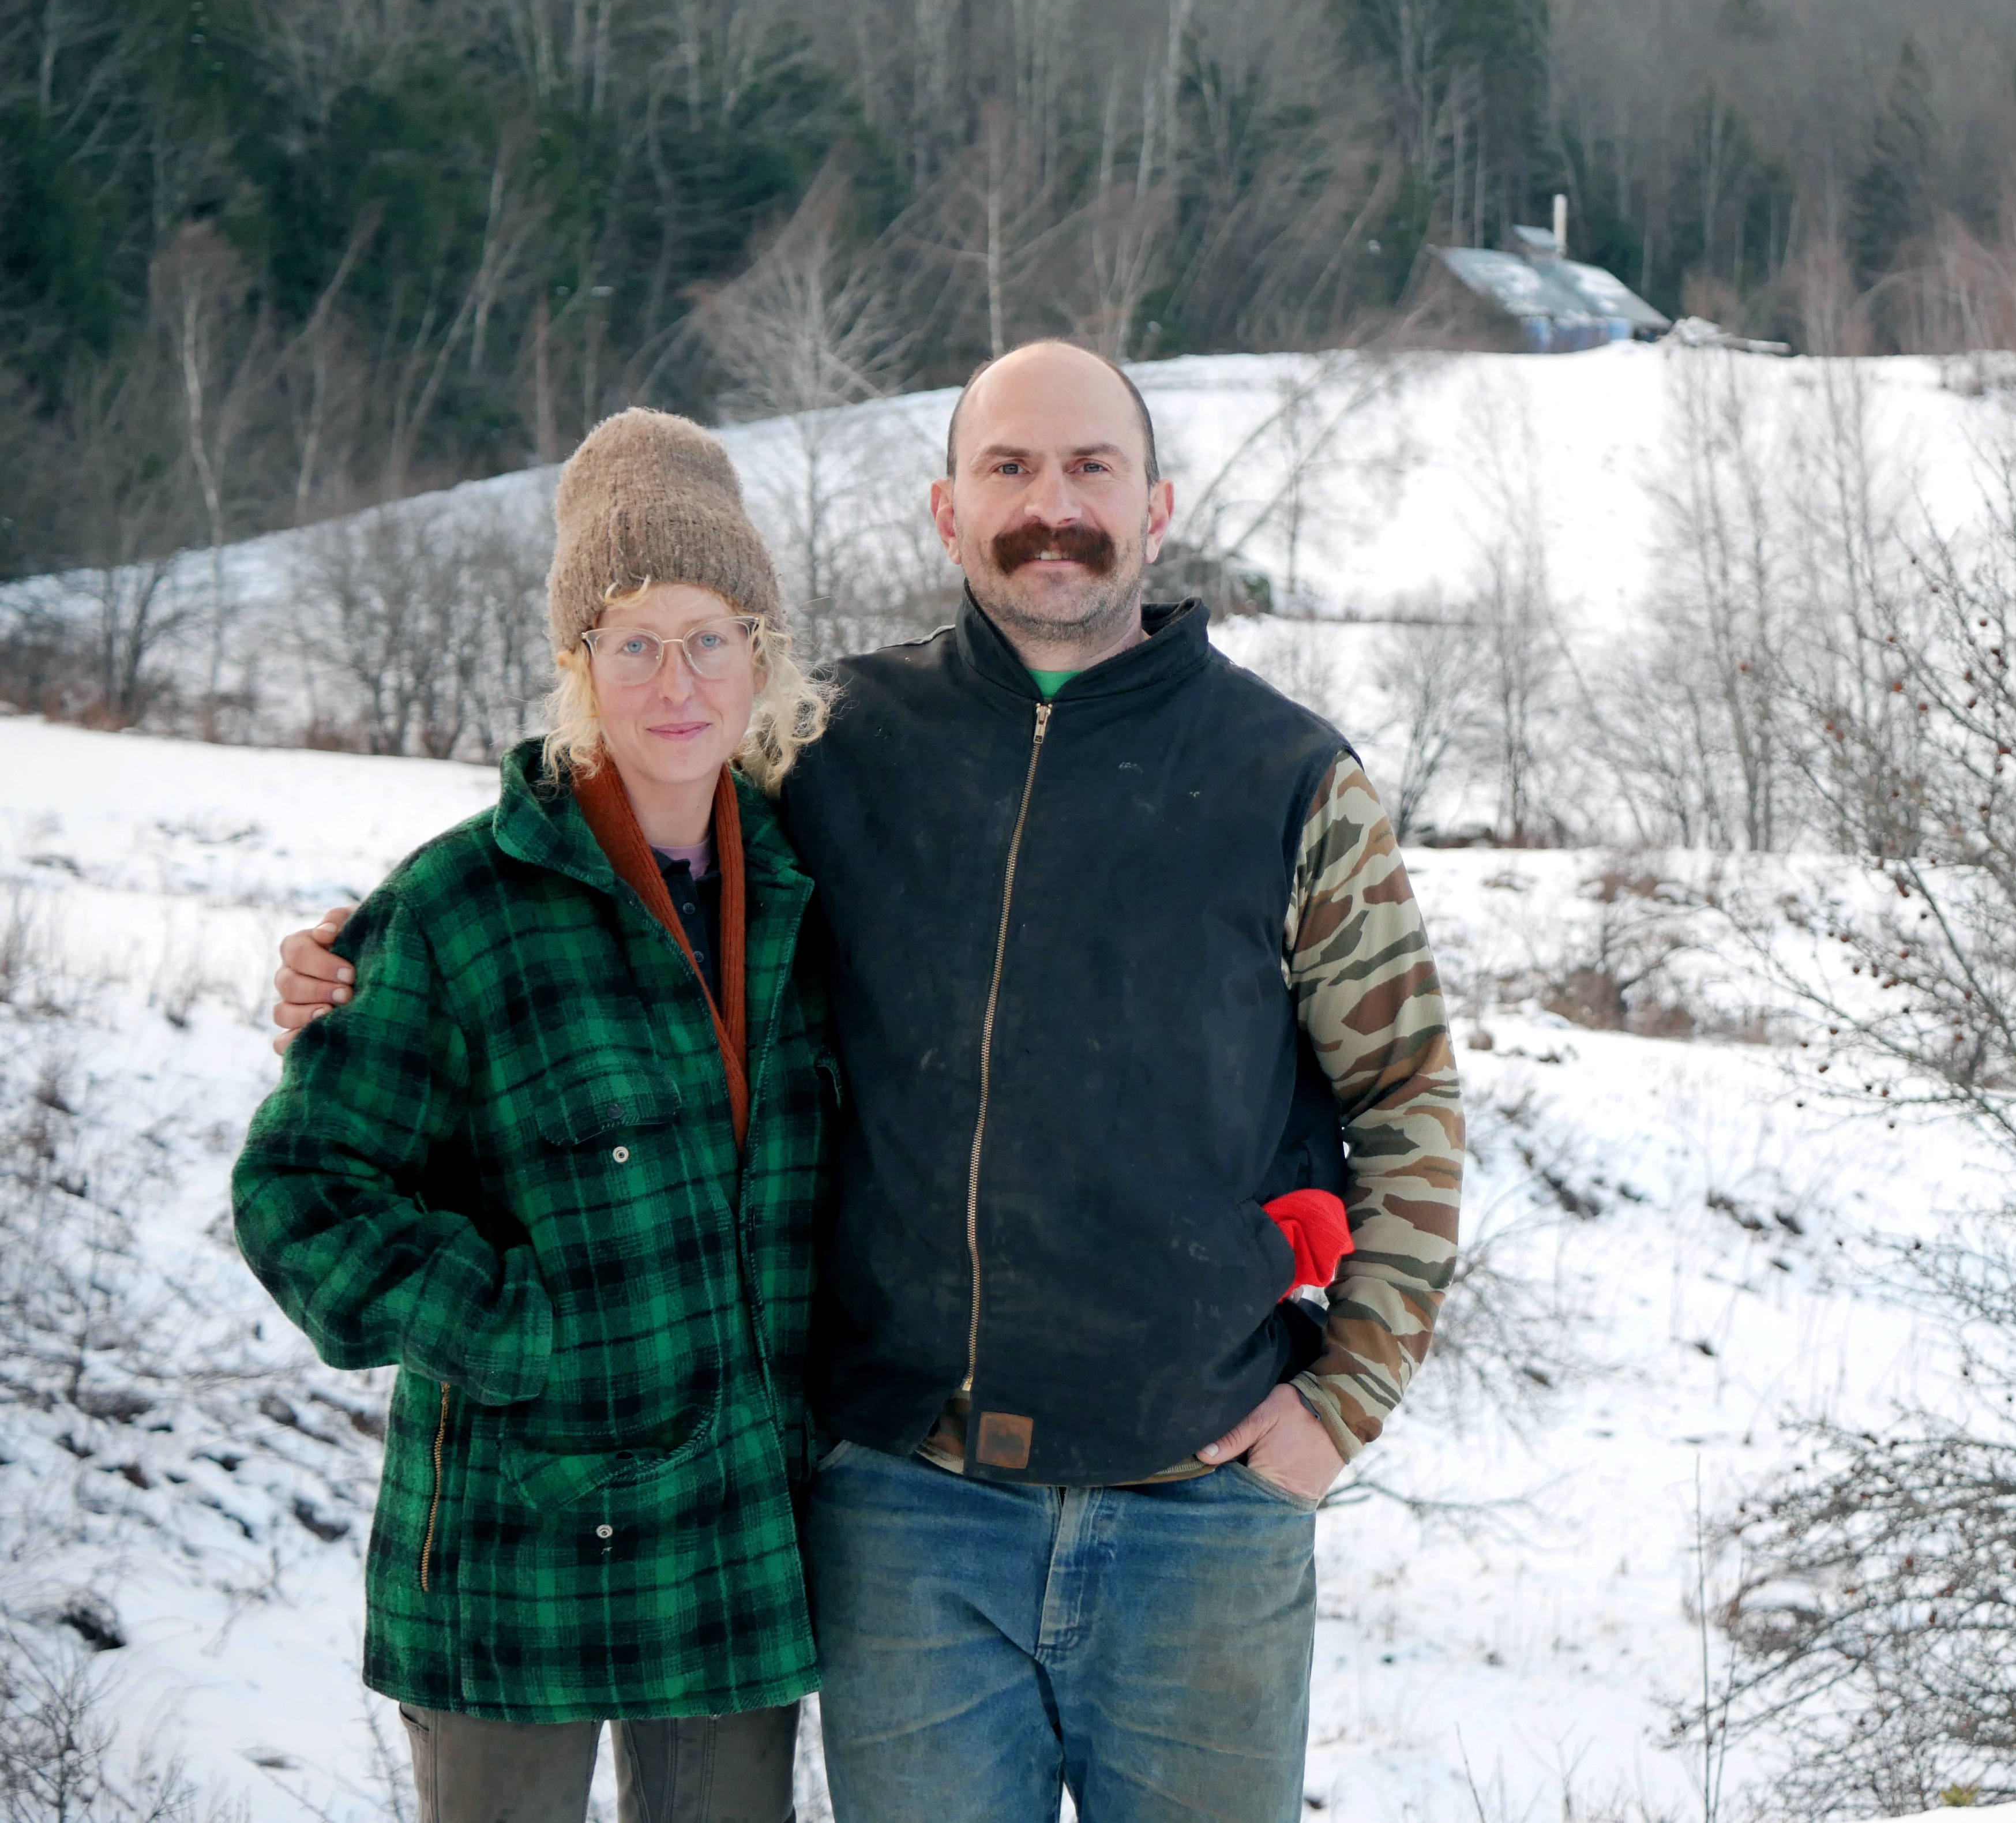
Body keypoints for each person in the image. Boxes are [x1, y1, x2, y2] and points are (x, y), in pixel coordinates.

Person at [277, 341, 1466, 1823]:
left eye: (1091, 466)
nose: (1053, 505)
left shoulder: (1285, 773)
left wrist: (1344, 1398)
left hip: (1201, 1511)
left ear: (1155, 505)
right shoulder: (831, 749)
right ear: (944, 507)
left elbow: (1408, 1094)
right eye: (1010, 468)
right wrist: (358, 962)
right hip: (911, 1508)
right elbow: (615, 834)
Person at [238, 410, 837, 1823]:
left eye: (707, 635)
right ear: (578, 667)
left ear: (760, 652)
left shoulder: (816, 895)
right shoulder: (459, 907)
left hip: (733, 1538)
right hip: (521, 1541)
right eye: (629, 640)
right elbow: (300, 1188)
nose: (673, 680)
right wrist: (524, 1329)